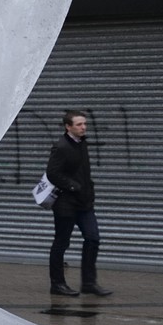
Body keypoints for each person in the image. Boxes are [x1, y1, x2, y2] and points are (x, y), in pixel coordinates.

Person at [47, 109, 110, 297]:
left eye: (84, 124)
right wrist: (74, 186)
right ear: (68, 127)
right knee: (61, 243)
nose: (84, 127)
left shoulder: (82, 143)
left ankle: (89, 283)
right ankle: (57, 284)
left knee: (93, 238)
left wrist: (88, 191)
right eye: (79, 124)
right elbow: (52, 173)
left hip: (84, 203)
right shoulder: (61, 147)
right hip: (66, 204)